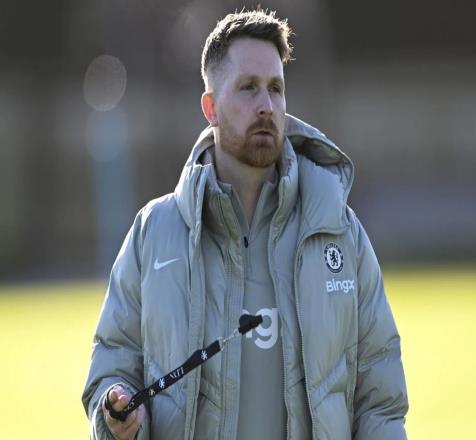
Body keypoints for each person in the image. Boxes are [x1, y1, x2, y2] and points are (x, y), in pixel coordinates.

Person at [82, 9, 408, 440]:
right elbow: (112, 369)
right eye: (248, 87)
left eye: (276, 88)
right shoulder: (152, 234)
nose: (266, 106)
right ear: (211, 108)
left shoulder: (340, 232)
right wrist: (115, 413)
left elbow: (381, 402)